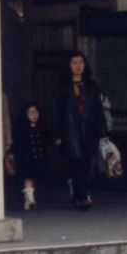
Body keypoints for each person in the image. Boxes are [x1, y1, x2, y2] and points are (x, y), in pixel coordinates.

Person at [53, 52, 109, 210]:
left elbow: (98, 111)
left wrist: (103, 133)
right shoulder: (62, 87)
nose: (78, 66)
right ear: (69, 66)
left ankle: (80, 193)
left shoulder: (92, 86)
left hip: (89, 131)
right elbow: (56, 111)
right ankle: (81, 197)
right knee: (76, 161)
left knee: (87, 164)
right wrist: (56, 134)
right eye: (74, 62)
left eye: (81, 62)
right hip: (70, 131)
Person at [11, 102, 55, 211]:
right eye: (31, 112)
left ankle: (29, 199)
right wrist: (12, 153)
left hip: (39, 158)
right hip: (27, 158)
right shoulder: (21, 128)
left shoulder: (42, 126)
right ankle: (30, 200)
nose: (34, 115)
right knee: (28, 178)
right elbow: (17, 142)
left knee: (35, 179)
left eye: (36, 112)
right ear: (25, 114)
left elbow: (48, 138)